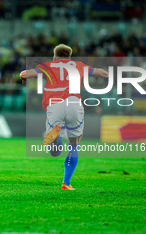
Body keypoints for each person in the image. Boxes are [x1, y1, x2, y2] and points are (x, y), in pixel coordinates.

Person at [20, 44, 108, 190]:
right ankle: (66, 183)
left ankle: (56, 138)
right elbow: (102, 73)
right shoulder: (78, 65)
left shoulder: (48, 66)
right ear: (69, 57)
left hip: (54, 105)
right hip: (74, 103)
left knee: (55, 152)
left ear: (54, 57)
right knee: (74, 145)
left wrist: (22, 77)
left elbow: (25, 74)